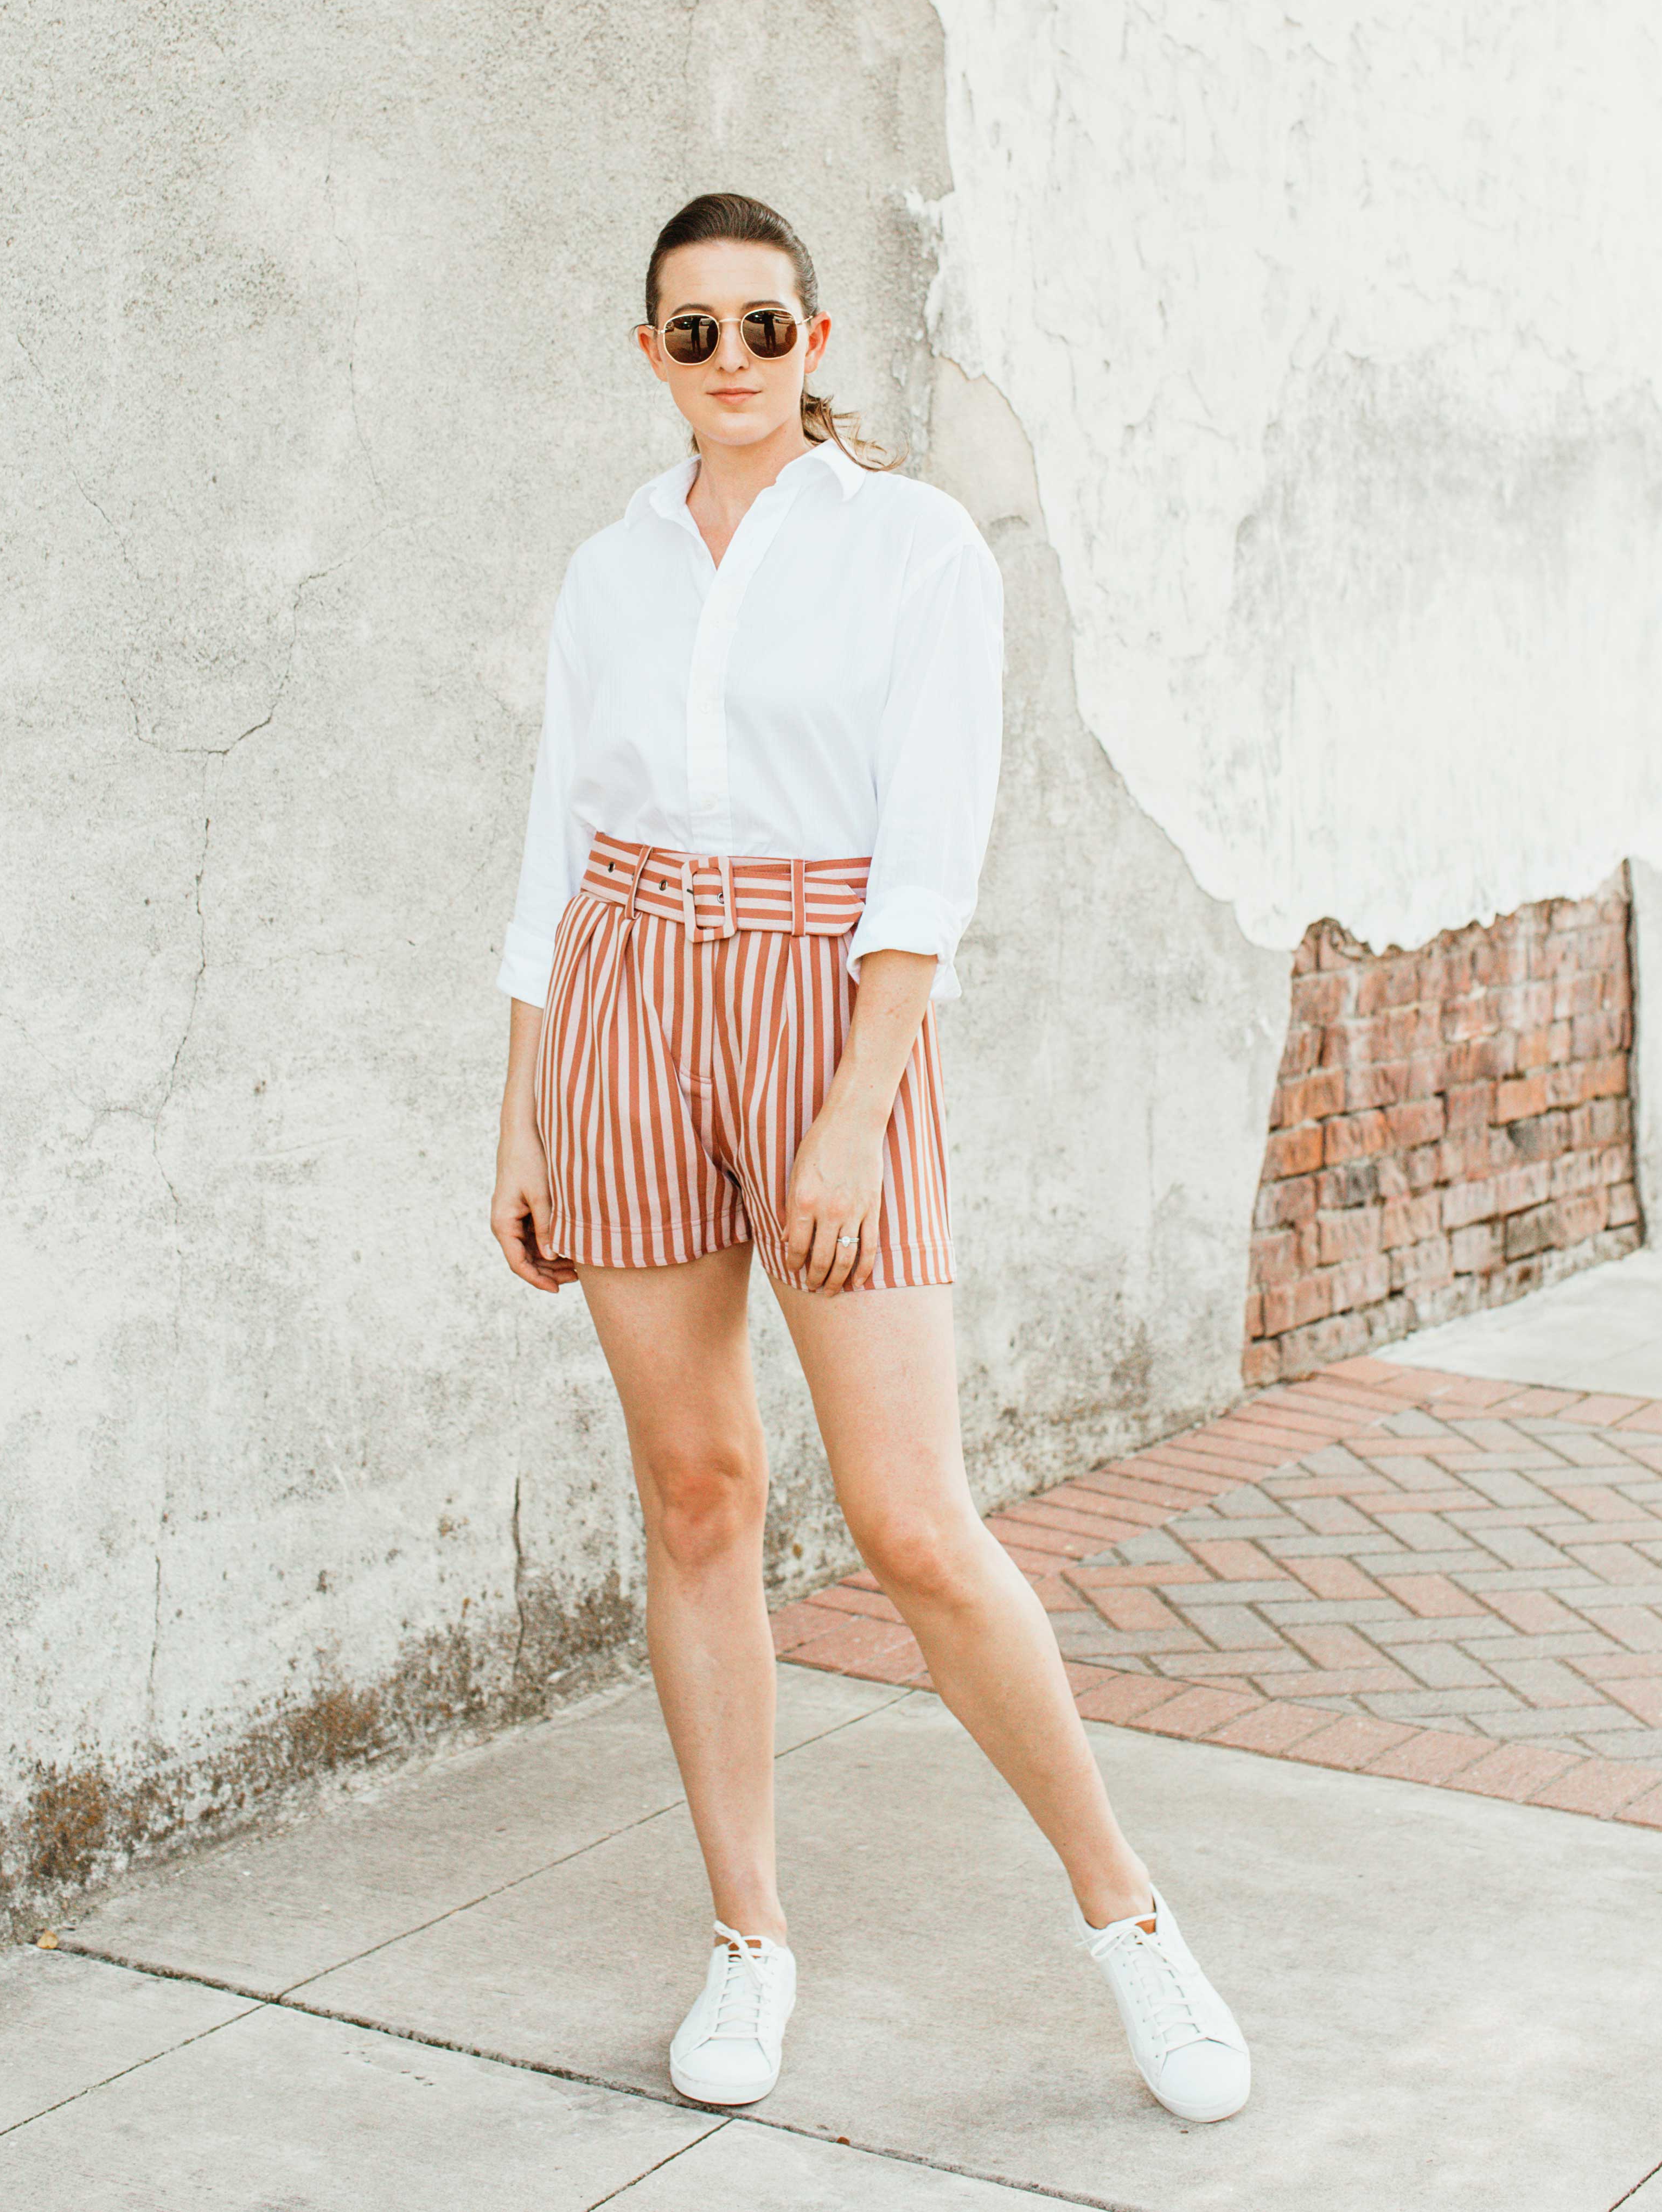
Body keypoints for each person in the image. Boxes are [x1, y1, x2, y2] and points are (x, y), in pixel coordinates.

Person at [489, 192, 1249, 2125]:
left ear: (816, 342)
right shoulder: (611, 570)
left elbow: (930, 857)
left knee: (912, 1518)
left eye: (763, 328)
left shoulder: (912, 549)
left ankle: (1131, 1924)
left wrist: (843, 1110)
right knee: (694, 1491)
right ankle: (747, 1938)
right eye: (691, 334)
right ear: (645, 354)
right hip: (626, 992)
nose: (730, 363)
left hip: (832, 1004)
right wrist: (523, 1105)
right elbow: (552, 845)